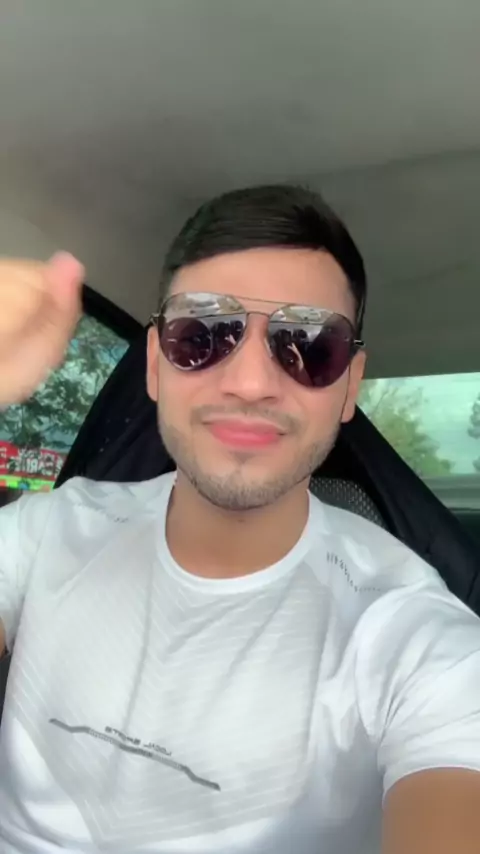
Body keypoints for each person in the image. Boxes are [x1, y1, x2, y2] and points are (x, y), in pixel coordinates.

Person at [0, 185, 479, 854]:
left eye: (309, 343)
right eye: (201, 333)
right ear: (155, 366)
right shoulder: (50, 531)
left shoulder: (411, 634)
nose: (251, 382)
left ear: (349, 385)